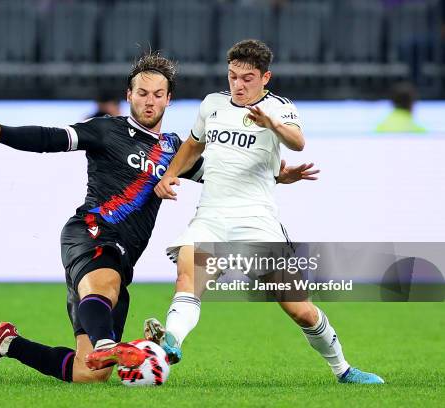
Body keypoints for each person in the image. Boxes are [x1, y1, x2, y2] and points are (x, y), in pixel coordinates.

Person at [0, 52, 314, 384]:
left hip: (124, 256)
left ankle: (7, 344)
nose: (149, 100)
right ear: (129, 94)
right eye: (142, 93)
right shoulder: (106, 130)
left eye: (158, 94)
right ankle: (108, 341)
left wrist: (278, 176)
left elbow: (225, 174)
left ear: (168, 99)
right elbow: (51, 137)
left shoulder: (174, 149)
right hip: (91, 233)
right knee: (105, 287)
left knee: (89, 373)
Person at [145, 40, 384, 384]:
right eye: (232, 76)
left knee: (299, 309)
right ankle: (171, 343)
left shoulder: (279, 108)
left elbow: (298, 142)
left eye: (248, 78)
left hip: (256, 222)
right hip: (210, 217)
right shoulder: (212, 105)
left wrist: (270, 124)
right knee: (188, 278)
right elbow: (193, 146)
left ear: (265, 78)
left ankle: (343, 370)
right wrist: (168, 176)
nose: (238, 85)